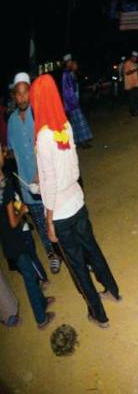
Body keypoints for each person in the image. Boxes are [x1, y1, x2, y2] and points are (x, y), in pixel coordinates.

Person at [31, 74, 121, 329]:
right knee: (93, 249)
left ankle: (99, 315)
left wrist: (48, 221)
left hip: (60, 212)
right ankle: (113, 290)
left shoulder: (43, 137)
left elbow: (48, 184)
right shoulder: (65, 127)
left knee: (78, 266)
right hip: (77, 202)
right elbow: (70, 166)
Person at [6, 72, 62, 274]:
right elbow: (12, 150)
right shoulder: (11, 120)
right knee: (39, 223)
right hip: (27, 185)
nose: (21, 98)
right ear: (14, 96)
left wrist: (41, 171)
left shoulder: (39, 113)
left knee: (57, 218)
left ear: (31, 93)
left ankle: (66, 251)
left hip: (46, 179)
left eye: (24, 93)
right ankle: (52, 254)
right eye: (17, 94)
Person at [0, 153, 55, 329]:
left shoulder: (3, 182)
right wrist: (23, 210)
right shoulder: (5, 185)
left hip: (8, 240)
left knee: (30, 273)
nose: (4, 153)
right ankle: (41, 318)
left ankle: (42, 302)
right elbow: (13, 221)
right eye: (1, 151)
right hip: (14, 240)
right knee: (30, 279)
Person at [61, 54, 93, 149]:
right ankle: (82, 142)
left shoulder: (70, 73)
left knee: (75, 123)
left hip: (73, 102)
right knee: (79, 122)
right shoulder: (66, 75)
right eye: (70, 62)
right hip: (72, 103)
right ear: (67, 63)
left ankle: (78, 142)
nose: (72, 64)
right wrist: (73, 103)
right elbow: (67, 91)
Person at [124, 51, 138, 116]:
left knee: (137, 98)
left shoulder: (135, 64)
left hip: (136, 84)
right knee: (132, 99)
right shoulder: (127, 63)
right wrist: (135, 69)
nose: (136, 59)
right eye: (135, 57)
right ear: (132, 57)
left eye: (136, 58)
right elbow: (127, 73)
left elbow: (137, 72)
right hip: (130, 85)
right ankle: (132, 112)